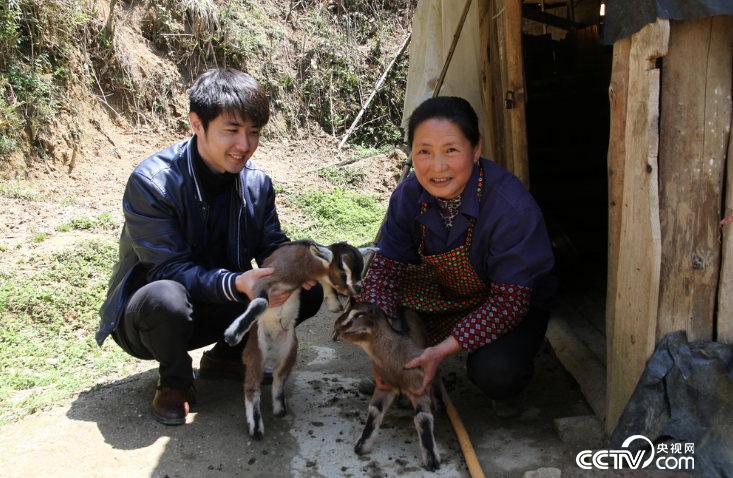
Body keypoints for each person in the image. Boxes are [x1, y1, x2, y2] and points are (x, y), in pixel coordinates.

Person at [95, 68, 322, 425]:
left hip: (221, 302)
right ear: (197, 124)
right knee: (166, 296)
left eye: (254, 133)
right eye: (231, 131)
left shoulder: (257, 184)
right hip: (150, 317)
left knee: (307, 290)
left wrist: (296, 266)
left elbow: (271, 244)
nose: (244, 146)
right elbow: (166, 268)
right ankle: (175, 381)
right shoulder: (153, 182)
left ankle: (226, 357)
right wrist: (236, 284)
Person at [357, 96, 555, 413]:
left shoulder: (510, 207)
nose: (437, 167)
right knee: (377, 309)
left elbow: (508, 303)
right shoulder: (408, 196)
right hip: (445, 295)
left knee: (496, 372)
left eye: (451, 150)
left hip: (510, 302)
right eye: (424, 151)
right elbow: (384, 272)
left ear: (476, 150)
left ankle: (507, 378)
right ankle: (408, 371)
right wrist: (384, 345)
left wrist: (443, 350)